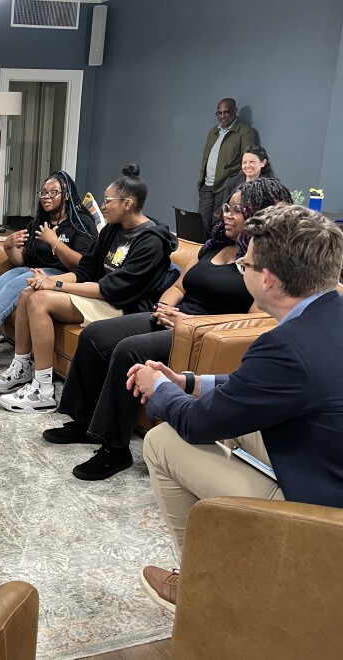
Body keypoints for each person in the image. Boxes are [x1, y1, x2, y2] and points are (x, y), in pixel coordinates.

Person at [127, 205, 343, 613]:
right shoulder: (325, 315)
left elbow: (196, 425)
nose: (240, 267)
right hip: (326, 463)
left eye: (245, 263)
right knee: (227, 422)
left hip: (322, 514)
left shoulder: (286, 346)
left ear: (269, 279)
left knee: (161, 440)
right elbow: (256, 390)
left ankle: (202, 586)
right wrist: (187, 382)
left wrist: (158, 389)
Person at [48, 178, 293, 480]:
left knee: (128, 350)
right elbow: (178, 285)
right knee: (95, 335)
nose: (227, 215)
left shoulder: (261, 263)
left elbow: (254, 318)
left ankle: (114, 449)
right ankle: (82, 421)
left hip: (200, 334)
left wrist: (187, 323)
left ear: (259, 213)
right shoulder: (212, 247)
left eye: (237, 210)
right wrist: (163, 307)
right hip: (173, 318)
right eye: (227, 207)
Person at [0, 164, 177, 413]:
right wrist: (45, 281)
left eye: (108, 201)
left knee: (39, 301)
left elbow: (114, 289)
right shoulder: (112, 230)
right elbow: (86, 270)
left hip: (123, 307)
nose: (102, 207)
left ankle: (44, 390)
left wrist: (56, 284)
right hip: (101, 296)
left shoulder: (152, 242)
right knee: (28, 293)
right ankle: (22, 366)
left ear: (128, 203)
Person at [0, 171, 97, 372]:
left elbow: (83, 264)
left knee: (19, 282)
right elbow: (23, 260)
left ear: (66, 195)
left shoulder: (81, 223)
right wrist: (9, 247)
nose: (46, 196)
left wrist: (54, 242)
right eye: (43, 192)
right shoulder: (40, 220)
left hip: (65, 276)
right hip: (36, 270)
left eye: (53, 192)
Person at [197, 98, 257, 238]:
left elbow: (248, 161)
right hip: (207, 184)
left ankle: (216, 254)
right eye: (219, 113)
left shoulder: (245, 132)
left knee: (218, 223)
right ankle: (202, 254)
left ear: (235, 111)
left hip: (225, 185)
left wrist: (234, 185)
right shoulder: (213, 132)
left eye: (226, 112)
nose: (222, 116)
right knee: (201, 221)